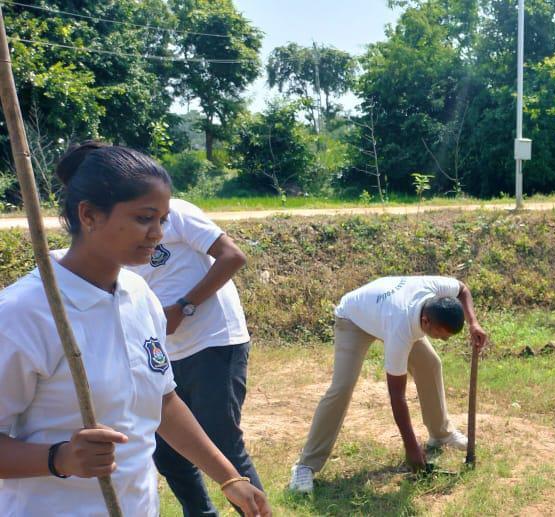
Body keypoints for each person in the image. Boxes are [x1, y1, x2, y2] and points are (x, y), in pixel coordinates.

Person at [0, 142, 270, 517]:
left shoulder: (139, 296)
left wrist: (228, 477)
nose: (158, 233)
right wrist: (59, 458)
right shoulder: (24, 314)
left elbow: (162, 399)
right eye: (145, 218)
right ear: (89, 215)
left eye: (163, 219)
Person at [126, 196, 263, 517]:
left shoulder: (176, 212)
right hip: (161, 349)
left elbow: (232, 256)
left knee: (221, 442)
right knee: (167, 450)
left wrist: (184, 306)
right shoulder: (113, 231)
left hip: (213, 339)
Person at [288, 276, 488, 494]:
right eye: (441, 335)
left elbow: (463, 289)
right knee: (341, 388)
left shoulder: (434, 288)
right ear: (426, 322)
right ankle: (305, 465)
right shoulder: (400, 328)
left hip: (384, 309)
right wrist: (411, 447)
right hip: (353, 318)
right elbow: (397, 396)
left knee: (430, 365)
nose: (445, 340)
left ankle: (440, 434)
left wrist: (473, 322)